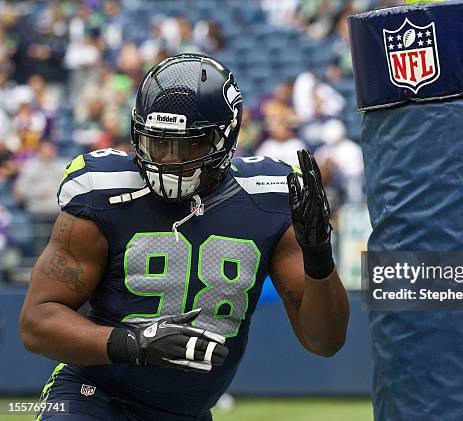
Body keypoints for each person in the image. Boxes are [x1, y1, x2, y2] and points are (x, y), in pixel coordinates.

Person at [19, 53, 349, 421]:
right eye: (157, 142)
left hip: (188, 413)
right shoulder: (103, 192)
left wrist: (319, 256)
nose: (169, 159)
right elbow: (37, 321)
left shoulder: (269, 199)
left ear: (225, 138)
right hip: (95, 398)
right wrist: (133, 343)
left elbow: (325, 341)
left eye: (189, 144)